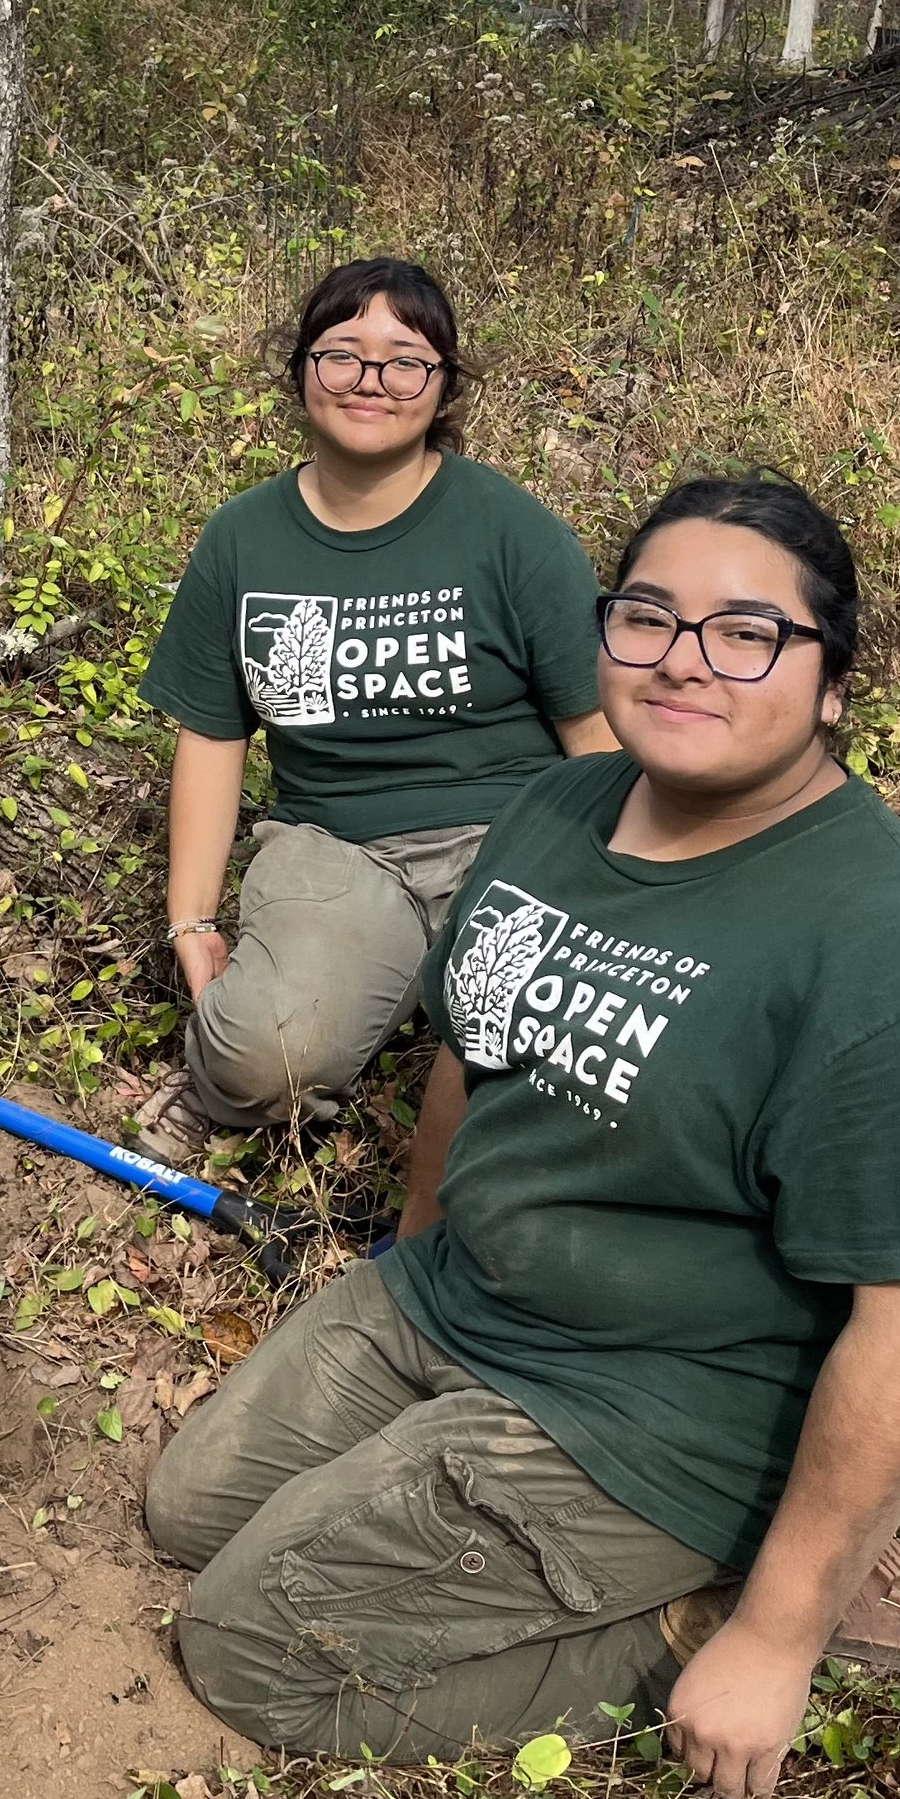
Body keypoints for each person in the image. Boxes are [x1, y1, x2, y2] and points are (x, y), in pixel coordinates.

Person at [145, 471, 900, 1798]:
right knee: (186, 1510)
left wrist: (776, 1639)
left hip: (648, 1405)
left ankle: (698, 1613)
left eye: (748, 633)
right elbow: (469, 1048)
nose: (686, 661)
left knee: (246, 1646)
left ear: (834, 682)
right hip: (459, 1303)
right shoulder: (560, 809)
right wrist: (409, 1268)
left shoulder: (897, 961)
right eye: (648, 618)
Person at [136, 257, 614, 1164]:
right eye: (343, 353)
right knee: (261, 1059)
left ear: (442, 388)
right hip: (342, 849)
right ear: (302, 370)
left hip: (515, 840)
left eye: (404, 360)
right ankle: (228, 1074)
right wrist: (192, 919)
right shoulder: (244, 538)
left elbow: (598, 738)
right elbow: (213, 734)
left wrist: (620, 888)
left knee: (567, 1071)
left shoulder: (508, 527)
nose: (371, 381)